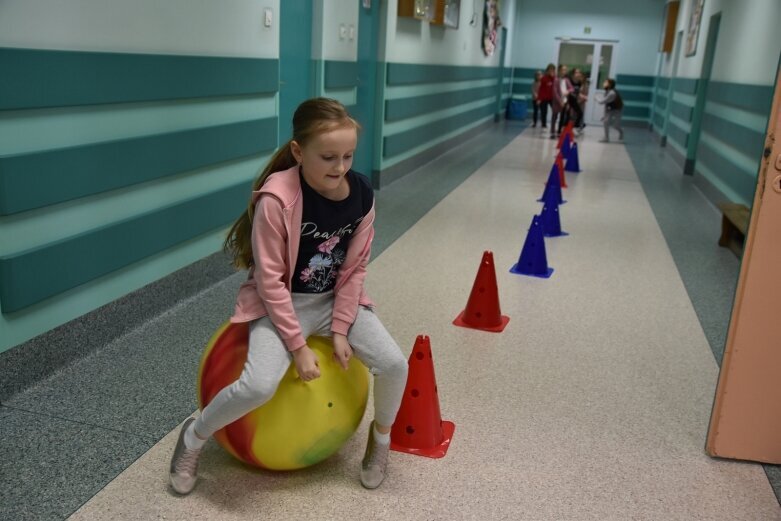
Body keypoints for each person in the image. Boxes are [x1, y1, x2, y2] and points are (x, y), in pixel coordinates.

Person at [169, 98, 409, 495]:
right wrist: (298, 346)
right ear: (298, 152)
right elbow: (269, 281)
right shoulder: (275, 199)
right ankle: (193, 437)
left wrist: (340, 329)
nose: (340, 167)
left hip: (334, 301)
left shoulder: (362, 194)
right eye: (328, 157)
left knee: (395, 364)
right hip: (282, 303)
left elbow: (353, 270)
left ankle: (381, 441)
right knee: (259, 385)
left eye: (348, 155)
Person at [596, 78, 624, 142]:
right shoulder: (607, 91)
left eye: (605, 82)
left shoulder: (612, 93)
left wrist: (596, 98)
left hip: (617, 109)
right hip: (610, 109)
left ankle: (621, 132)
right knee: (605, 122)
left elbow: (602, 102)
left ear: (610, 84)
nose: (604, 83)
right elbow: (607, 104)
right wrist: (605, 116)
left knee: (615, 125)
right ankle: (606, 138)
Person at [552, 64, 574, 139]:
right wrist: (560, 101)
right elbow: (555, 92)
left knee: (563, 116)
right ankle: (552, 132)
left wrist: (568, 91)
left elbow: (572, 88)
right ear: (559, 70)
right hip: (557, 101)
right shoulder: (556, 79)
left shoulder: (566, 80)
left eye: (565, 70)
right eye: (563, 69)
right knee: (554, 116)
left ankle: (559, 131)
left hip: (565, 101)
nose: (565, 71)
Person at [537, 64, 556, 131]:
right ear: (547, 70)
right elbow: (541, 89)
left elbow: (556, 86)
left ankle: (553, 124)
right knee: (544, 111)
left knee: (555, 110)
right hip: (544, 98)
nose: (551, 71)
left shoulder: (555, 78)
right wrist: (539, 99)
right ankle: (544, 124)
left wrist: (553, 77)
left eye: (552, 70)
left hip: (552, 97)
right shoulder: (544, 78)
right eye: (550, 70)